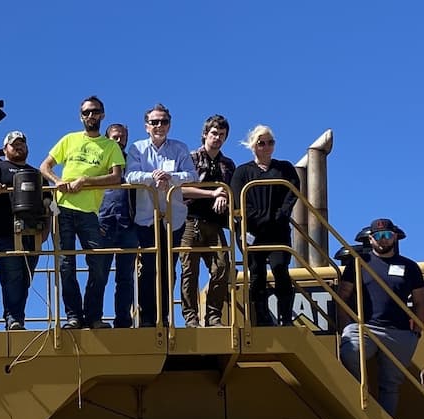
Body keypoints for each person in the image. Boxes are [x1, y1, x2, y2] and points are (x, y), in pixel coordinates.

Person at [39, 95, 126, 329]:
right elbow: (45, 166)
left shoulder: (111, 146)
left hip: (89, 213)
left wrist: (86, 181)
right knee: (66, 265)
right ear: (81, 116)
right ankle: (73, 316)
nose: (91, 116)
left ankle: (93, 315)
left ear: (102, 115)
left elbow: (116, 177)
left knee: (98, 264)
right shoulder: (69, 139)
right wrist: (57, 181)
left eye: (95, 111)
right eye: (86, 112)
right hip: (64, 209)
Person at [335, 218, 424, 415]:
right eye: (378, 236)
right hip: (365, 328)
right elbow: (343, 296)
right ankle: (362, 392)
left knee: (391, 384)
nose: (383, 240)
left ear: (395, 237)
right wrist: (345, 327)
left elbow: (420, 301)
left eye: (387, 235)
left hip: (400, 332)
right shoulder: (358, 263)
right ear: (370, 238)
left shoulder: (410, 267)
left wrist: (416, 333)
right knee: (349, 353)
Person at [121, 105, 194, 328]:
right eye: (154, 122)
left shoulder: (180, 148)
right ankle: (146, 317)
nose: (159, 126)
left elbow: (192, 175)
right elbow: (130, 175)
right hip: (146, 218)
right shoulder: (137, 149)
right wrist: (153, 177)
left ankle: (164, 315)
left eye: (163, 121)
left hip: (174, 218)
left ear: (169, 124)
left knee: (169, 268)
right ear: (146, 126)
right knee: (149, 267)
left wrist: (169, 177)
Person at [231, 125, 301, 327]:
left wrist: (278, 215)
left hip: (278, 230)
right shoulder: (242, 172)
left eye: (271, 142)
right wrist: (259, 219)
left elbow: (292, 192)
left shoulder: (284, 168)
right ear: (253, 146)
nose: (267, 146)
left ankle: (286, 317)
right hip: (253, 232)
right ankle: (260, 318)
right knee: (257, 273)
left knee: (280, 268)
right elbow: (238, 200)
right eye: (262, 143)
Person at [0, 129, 45, 331]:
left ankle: (18, 317)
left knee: (25, 278)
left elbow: (49, 204)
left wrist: (46, 232)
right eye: (13, 144)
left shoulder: (36, 174)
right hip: (3, 231)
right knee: (12, 275)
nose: (18, 146)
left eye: (22, 143)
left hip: (33, 233)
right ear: (5, 148)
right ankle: (13, 319)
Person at [179, 114, 234, 327]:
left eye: (222, 135)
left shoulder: (228, 165)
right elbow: (181, 189)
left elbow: (234, 191)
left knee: (222, 267)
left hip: (215, 224)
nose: (217, 138)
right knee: (189, 271)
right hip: (190, 221)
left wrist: (224, 196)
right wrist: (213, 194)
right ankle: (191, 318)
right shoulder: (190, 159)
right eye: (214, 133)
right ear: (205, 134)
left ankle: (213, 316)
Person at [97, 121, 140, 328]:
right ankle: (94, 317)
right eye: (115, 136)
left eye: (122, 136)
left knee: (125, 277)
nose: (118, 140)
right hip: (103, 222)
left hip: (128, 224)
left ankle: (123, 319)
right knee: (99, 273)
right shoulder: (100, 160)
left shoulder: (133, 160)